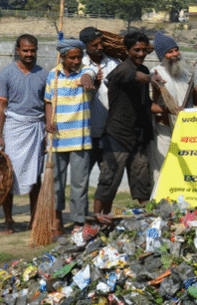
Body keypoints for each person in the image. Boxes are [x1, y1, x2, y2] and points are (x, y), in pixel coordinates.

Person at [93, 32, 154, 217]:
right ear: (127, 51)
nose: (141, 53)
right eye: (136, 50)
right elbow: (132, 76)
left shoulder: (143, 70)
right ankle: (98, 218)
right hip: (117, 136)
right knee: (108, 182)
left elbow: (148, 105)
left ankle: (147, 219)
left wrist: (171, 109)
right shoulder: (121, 71)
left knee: (142, 183)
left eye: (144, 50)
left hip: (138, 137)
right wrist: (151, 79)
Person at [0, 34, 49, 234]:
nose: (29, 54)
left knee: (36, 175)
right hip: (14, 128)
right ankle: (8, 220)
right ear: (18, 50)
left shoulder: (44, 74)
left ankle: (35, 218)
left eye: (33, 50)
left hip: (36, 128)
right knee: (8, 174)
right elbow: (1, 106)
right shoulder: (7, 73)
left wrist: (47, 130)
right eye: (25, 50)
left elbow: (48, 105)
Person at [45, 39, 97, 233]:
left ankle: (78, 222)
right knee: (56, 183)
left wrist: (86, 80)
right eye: (72, 58)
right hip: (57, 138)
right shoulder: (53, 75)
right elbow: (48, 102)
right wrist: (48, 121)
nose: (76, 61)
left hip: (80, 138)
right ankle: (57, 218)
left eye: (78, 57)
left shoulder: (86, 70)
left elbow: (89, 75)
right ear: (63, 57)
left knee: (79, 184)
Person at [150, 32, 190, 187]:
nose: (174, 54)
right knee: (162, 168)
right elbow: (151, 105)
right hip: (164, 130)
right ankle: (159, 204)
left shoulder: (184, 74)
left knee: (183, 169)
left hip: (183, 130)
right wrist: (169, 110)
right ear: (162, 56)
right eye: (170, 52)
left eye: (176, 50)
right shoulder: (156, 73)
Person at [79, 27, 121, 170]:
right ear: (85, 46)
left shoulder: (114, 63)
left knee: (108, 177)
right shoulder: (79, 64)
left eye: (101, 43)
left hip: (109, 132)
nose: (100, 47)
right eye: (94, 45)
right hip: (86, 133)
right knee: (82, 177)